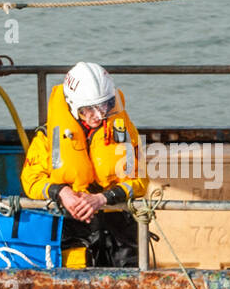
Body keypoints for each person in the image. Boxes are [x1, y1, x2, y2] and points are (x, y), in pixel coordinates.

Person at [20, 61, 147, 268]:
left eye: (106, 105)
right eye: (89, 109)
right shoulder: (47, 137)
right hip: (71, 227)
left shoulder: (124, 132)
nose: (99, 115)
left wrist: (102, 198)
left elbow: (139, 181)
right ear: (72, 106)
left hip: (118, 229)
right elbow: (31, 180)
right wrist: (62, 193)